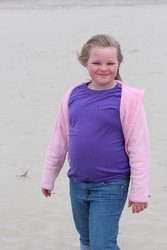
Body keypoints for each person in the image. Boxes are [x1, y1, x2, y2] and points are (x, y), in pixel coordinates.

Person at [40, 34, 150, 250]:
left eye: (110, 63)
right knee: (87, 241)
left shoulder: (127, 99)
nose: (103, 68)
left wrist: (139, 192)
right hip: (78, 184)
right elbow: (59, 140)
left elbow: (139, 148)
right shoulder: (73, 95)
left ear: (118, 63)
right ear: (85, 62)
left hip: (111, 184)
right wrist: (48, 177)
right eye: (96, 63)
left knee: (102, 244)